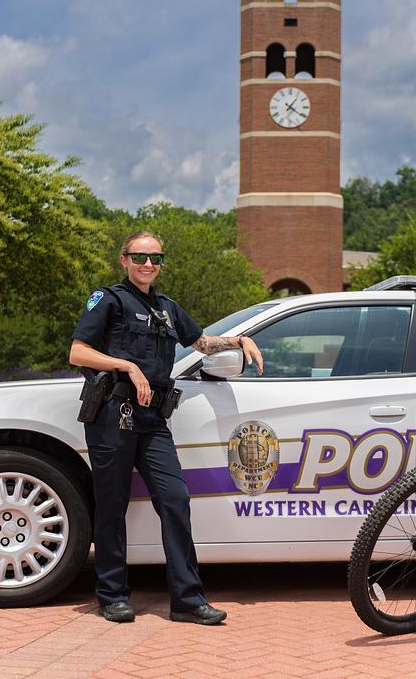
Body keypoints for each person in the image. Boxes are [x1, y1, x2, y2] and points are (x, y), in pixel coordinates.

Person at [69, 231, 264, 625]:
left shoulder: (167, 308)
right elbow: (78, 351)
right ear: (123, 259)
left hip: (153, 419)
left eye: (156, 259)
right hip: (113, 415)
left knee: (174, 499)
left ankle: (187, 600)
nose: (148, 265)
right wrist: (127, 366)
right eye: (140, 257)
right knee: (111, 506)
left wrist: (239, 340)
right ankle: (112, 595)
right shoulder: (108, 300)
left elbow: (201, 343)